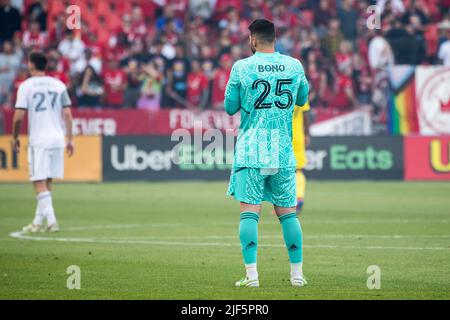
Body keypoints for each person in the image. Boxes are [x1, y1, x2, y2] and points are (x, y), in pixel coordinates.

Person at [224, 19, 309, 288]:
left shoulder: (242, 67)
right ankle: (297, 276)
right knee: (288, 214)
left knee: (250, 213)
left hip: (252, 149)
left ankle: (252, 277)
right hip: (283, 150)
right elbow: (302, 99)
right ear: (275, 37)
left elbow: (230, 107)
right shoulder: (294, 65)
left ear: (252, 39)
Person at [11, 52, 74, 233]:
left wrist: (15, 137)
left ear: (31, 64)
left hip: (39, 140)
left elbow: (18, 117)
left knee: (38, 182)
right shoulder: (59, 84)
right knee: (47, 181)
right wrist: (70, 139)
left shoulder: (26, 86)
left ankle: (52, 221)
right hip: (57, 138)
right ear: (45, 66)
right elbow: (68, 114)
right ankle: (37, 223)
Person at [292, 102, 310, 213]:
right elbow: (306, 116)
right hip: (297, 137)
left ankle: (282, 203)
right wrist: (307, 134)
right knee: (298, 170)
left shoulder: (275, 90)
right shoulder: (298, 88)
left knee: (280, 171)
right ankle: (299, 199)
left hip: (280, 136)